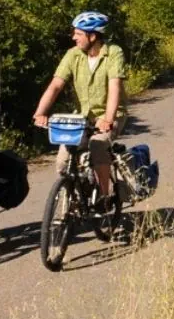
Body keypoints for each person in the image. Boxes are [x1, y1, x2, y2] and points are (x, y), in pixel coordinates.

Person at [32, 11, 127, 210]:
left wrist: (108, 119)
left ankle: (104, 196)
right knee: (63, 161)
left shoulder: (113, 52)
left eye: (78, 33)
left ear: (92, 36)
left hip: (109, 114)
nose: (74, 37)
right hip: (81, 117)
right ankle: (73, 198)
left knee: (97, 145)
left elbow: (114, 87)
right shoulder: (73, 55)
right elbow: (55, 86)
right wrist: (40, 113)